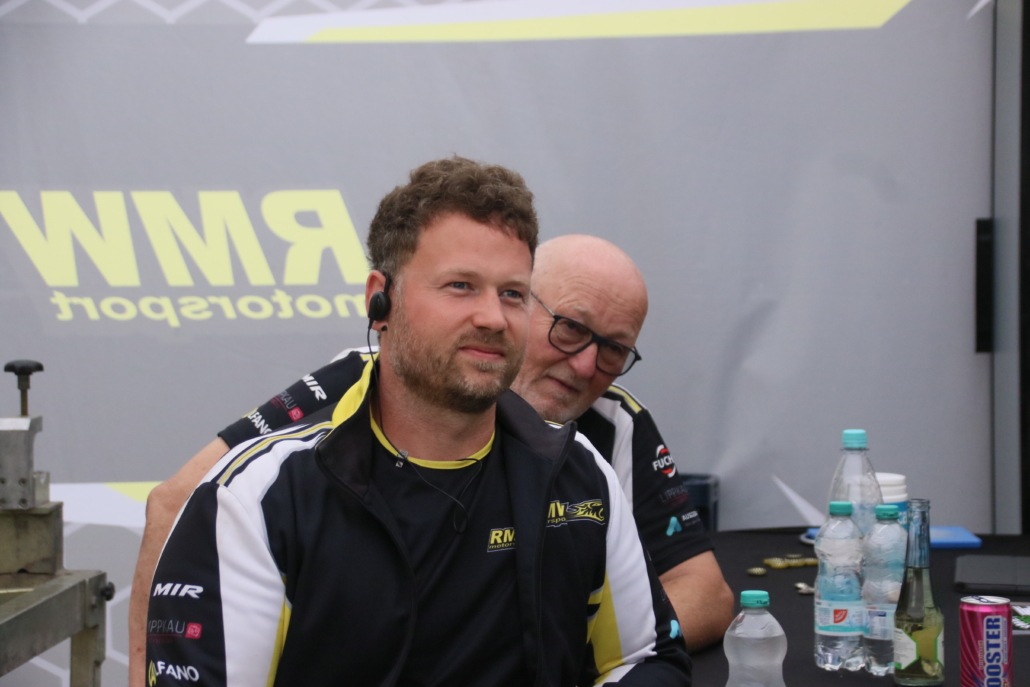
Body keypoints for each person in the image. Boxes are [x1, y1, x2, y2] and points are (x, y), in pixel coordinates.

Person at [144, 157, 691, 686]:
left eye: (512, 294)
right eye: (460, 286)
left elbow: (651, 657)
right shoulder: (259, 499)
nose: (492, 317)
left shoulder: (579, 472)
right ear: (380, 300)